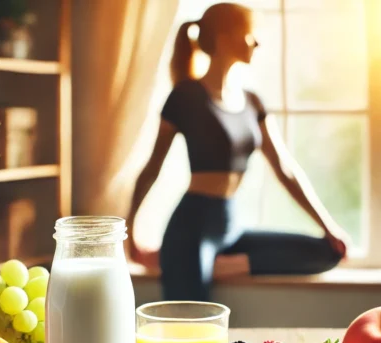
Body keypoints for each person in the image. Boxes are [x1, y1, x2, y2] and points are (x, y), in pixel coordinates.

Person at [126, 2, 352, 301]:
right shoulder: (185, 96)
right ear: (223, 38)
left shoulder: (252, 101)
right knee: (193, 318)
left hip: (231, 223)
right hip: (192, 226)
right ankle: (187, 260)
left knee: (326, 253)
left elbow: (284, 169)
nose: (256, 42)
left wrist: (329, 226)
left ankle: (221, 266)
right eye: (249, 34)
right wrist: (131, 231)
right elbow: (152, 167)